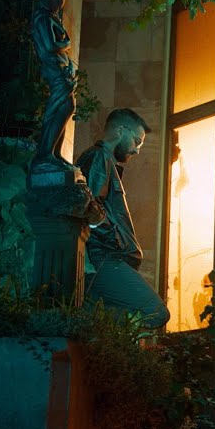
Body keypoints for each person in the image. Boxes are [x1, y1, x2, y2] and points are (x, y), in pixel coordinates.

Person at [76, 108, 171, 329]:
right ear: (120, 130)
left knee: (147, 314)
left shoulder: (104, 161)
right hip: (103, 256)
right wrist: (114, 239)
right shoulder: (99, 157)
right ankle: (77, 315)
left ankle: (80, 316)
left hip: (103, 256)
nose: (137, 150)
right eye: (137, 141)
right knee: (155, 313)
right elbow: (88, 206)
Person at [31, 0, 76, 167]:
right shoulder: (43, 18)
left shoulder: (51, 17)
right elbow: (50, 46)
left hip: (61, 68)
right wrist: (67, 43)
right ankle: (45, 153)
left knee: (66, 107)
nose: (62, 1)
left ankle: (54, 153)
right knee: (61, 107)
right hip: (53, 69)